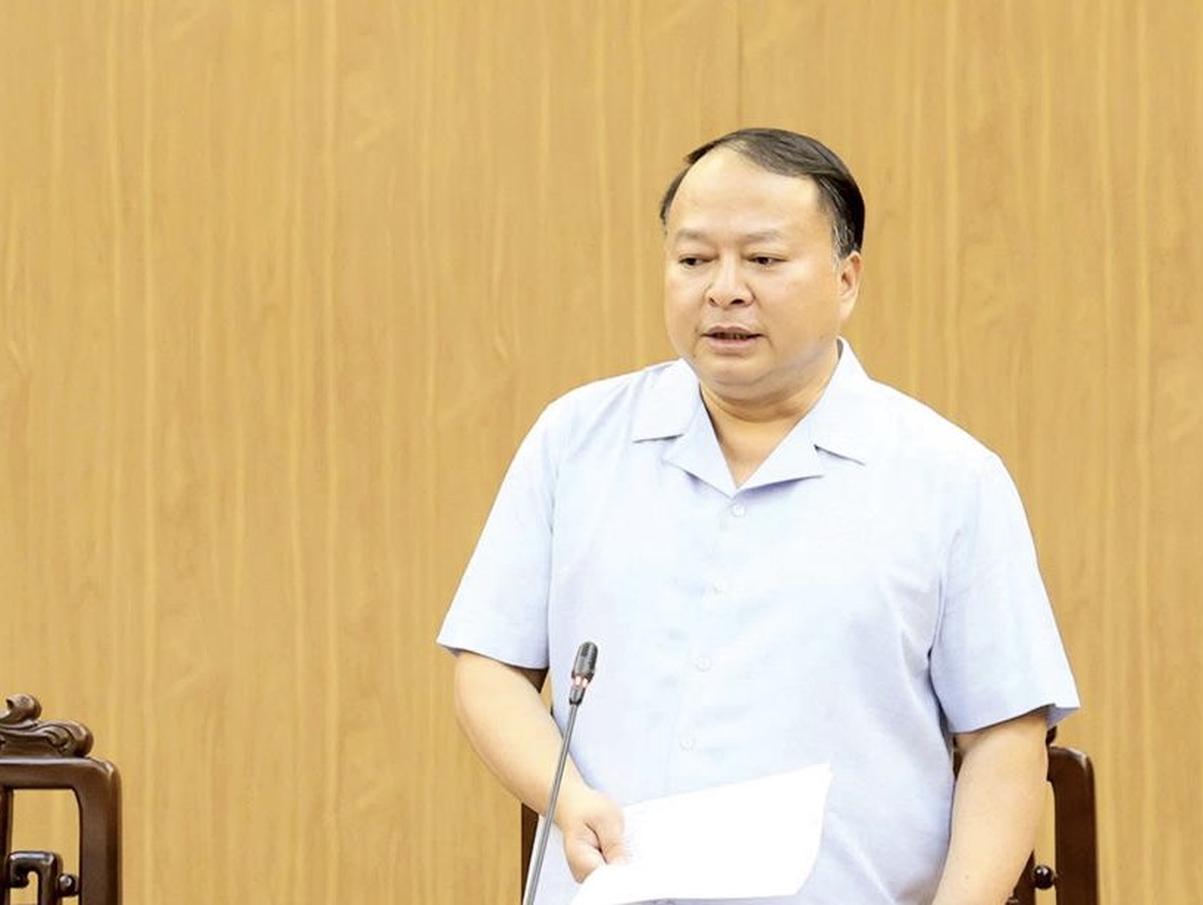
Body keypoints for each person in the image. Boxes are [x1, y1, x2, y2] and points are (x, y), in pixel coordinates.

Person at [438, 128, 1079, 905]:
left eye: (764, 259)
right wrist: (568, 797)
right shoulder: (575, 440)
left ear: (846, 279)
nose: (723, 289)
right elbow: (490, 666)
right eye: (693, 259)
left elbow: (1005, 738)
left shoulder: (947, 478)